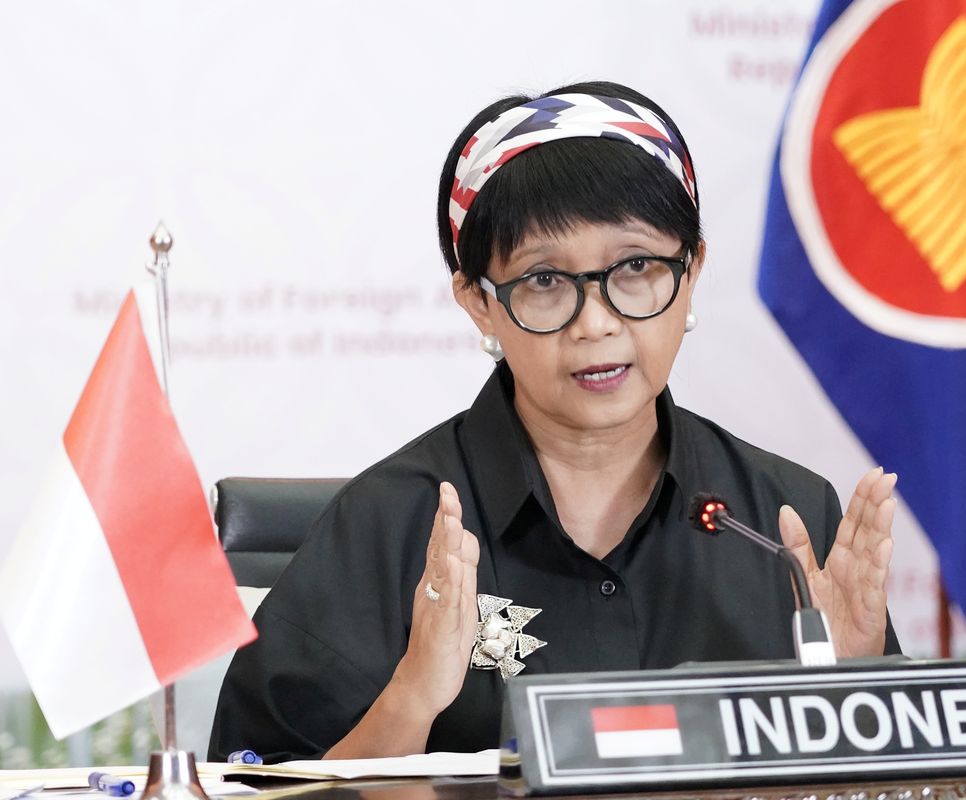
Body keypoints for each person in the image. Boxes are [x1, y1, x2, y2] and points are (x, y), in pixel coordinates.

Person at [210, 81, 901, 763]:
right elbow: (254, 784)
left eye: (635, 267)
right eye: (544, 281)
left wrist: (854, 687)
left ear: (690, 272)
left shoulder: (784, 524)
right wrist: (413, 696)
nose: (595, 324)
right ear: (478, 302)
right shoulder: (387, 528)